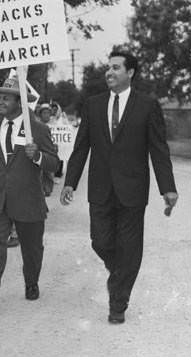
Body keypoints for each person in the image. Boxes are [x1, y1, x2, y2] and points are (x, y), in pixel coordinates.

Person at [60, 50, 178, 324]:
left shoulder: (147, 106)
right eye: (108, 68)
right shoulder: (93, 104)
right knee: (100, 241)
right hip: (100, 188)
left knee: (130, 246)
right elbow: (81, 146)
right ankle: (121, 272)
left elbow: (158, 149)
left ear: (130, 72)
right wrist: (70, 182)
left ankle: (118, 303)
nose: (109, 73)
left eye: (115, 68)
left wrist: (167, 188)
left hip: (133, 191)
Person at [0, 75, 59, 316]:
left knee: (32, 249)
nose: (0, 101)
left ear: (20, 102)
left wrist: (38, 157)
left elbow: (55, 164)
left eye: (6, 98)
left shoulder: (38, 130)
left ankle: (31, 281)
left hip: (29, 201)